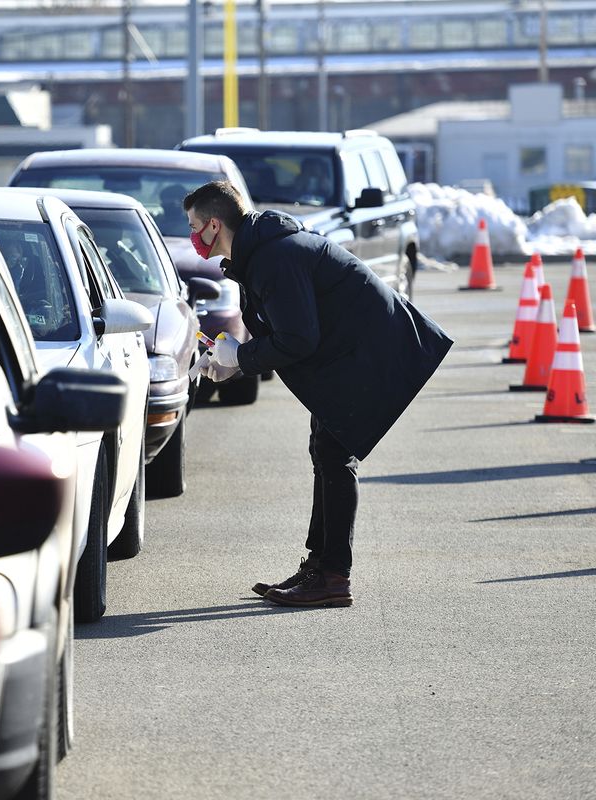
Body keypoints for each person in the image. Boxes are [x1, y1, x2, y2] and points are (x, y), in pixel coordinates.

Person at [187, 180, 452, 607]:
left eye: (194, 225)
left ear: (214, 225)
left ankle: (332, 576)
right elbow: (282, 334)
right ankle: (320, 564)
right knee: (324, 449)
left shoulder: (274, 258)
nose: (192, 235)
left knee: (333, 453)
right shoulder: (260, 255)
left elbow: (297, 338)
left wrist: (241, 357)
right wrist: (230, 361)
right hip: (347, 354)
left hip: (371, 352)